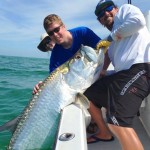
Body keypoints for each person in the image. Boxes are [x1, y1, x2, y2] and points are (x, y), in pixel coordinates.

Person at [32, 14, 114, 143]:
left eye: (57, 29)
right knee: (85, 94)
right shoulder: (56, 54)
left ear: (63, 26)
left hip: (100, 71)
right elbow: (55, 79)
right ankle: (101, 128)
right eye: (51, 33)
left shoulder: (83, 32)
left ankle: (107, 121)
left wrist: (103, 70)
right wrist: (43, 86)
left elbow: (105, 49)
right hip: (83, 81)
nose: (55, 35)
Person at [85, 0, 150, 149]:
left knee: (117, 121)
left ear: (116, 8)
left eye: (108, 8)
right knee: (87, 95)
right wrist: (102, 72)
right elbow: (114, 61)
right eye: (101, 14)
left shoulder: (126, 11)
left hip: (142, 69)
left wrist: (109, 38)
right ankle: (104, 133)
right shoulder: (113, 43)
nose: (105, 13)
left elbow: (138, 22)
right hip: (124, 75)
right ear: (99, 21)